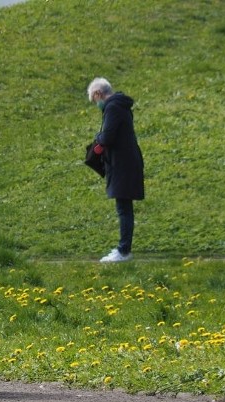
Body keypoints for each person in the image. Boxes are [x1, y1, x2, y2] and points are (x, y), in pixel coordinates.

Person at [86, 77, 145, 263]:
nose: (97, 104)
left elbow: (108, 137)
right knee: (125, 207)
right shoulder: (121, 105)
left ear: (98, 94)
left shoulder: (112, 107)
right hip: (126, 162)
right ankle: (123, 249)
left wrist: (98, 139)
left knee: (123, 209)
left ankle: (123, 251)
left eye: (95, 101)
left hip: (122, 164)